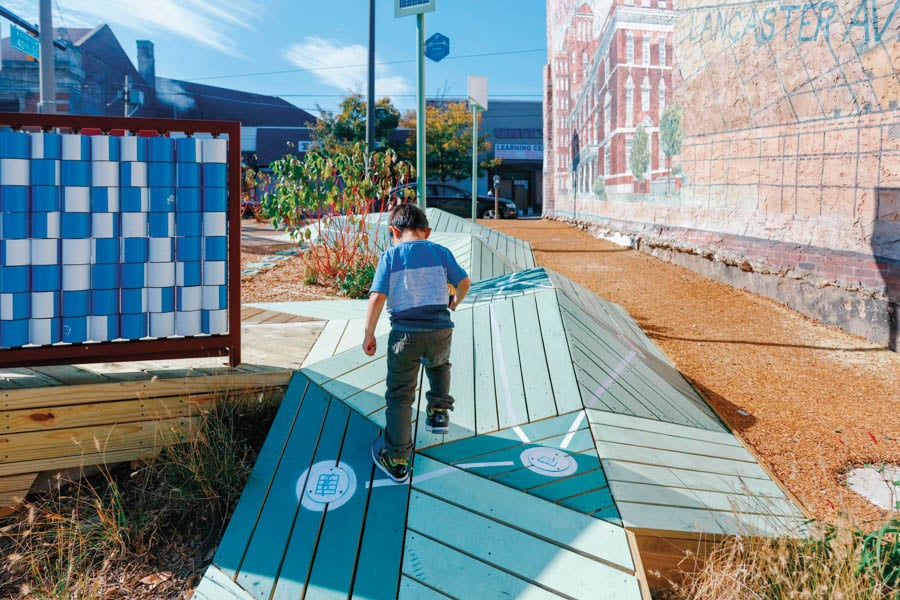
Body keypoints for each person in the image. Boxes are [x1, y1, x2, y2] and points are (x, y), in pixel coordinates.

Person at [362, 203, 470, 483]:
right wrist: (454, 302)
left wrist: (369, 333)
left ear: (393, 231)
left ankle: (397, 458)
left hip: (405, 335)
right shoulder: (441, 252)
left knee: (399, 395)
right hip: (440, 329)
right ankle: (438, 413)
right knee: (439, 365)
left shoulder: (391, 255)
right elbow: (464, 282)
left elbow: (376, 298)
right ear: (428, 232)